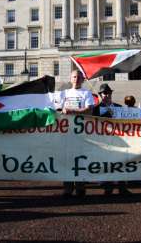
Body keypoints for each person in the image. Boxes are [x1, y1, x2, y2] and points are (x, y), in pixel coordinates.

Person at [59, 70, 95, 198]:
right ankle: (67, 188)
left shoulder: (87, 93)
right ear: (70, 78)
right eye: (74, 77)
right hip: (66, 132)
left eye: (79, 77)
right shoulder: (65, 93)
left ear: (83, 80)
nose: (76, 79)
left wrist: (71, 111)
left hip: (81, 132)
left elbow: (89, 110)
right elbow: (58, 109)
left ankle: (80, 187)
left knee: (80, 160)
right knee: (67, 160)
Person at [93, 83, 132, 196]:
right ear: (100, 95)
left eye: (108, 93)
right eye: (104, 93)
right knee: (107, 164)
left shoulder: (119, 107)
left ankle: (122, 187)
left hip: (119, 140)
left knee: (121, 163)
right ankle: (108, 187)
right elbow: (94, 122)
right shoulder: (96, 109)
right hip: (104, 140)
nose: (107, 95)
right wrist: (106, 113)